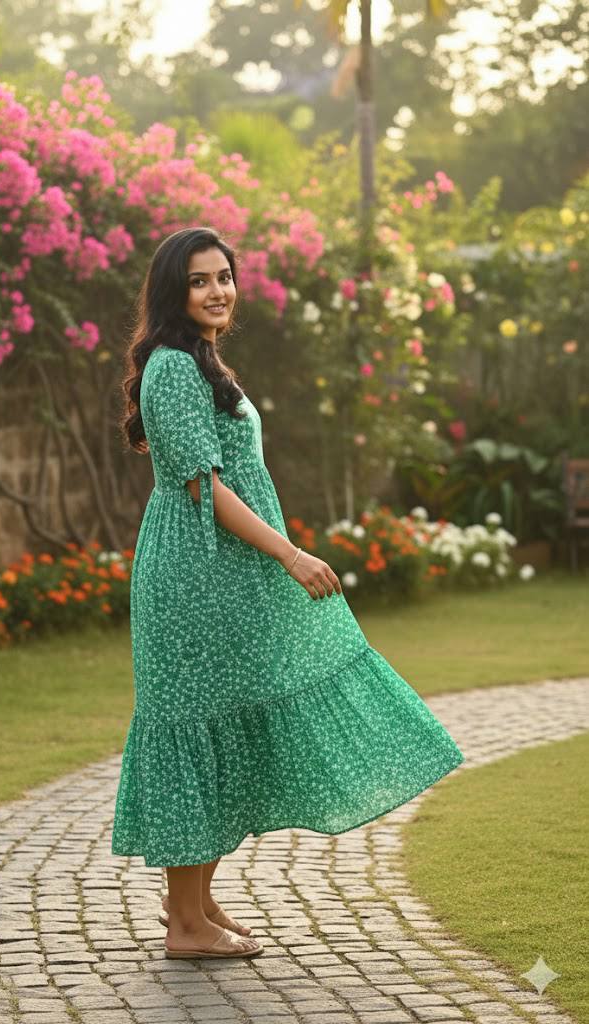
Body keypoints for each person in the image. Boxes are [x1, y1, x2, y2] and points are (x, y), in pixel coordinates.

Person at [113, 225, 465, 961]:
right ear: (173, 292)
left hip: (225, 573)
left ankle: (197, 903)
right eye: (200, 280)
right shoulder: (173, 368)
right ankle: (184, 924)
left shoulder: (197, 361)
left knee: (225, 722)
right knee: (199, 725)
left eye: (224, 277)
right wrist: (290, 553)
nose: (217, 291)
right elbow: (201, 488)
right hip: (197, 576)